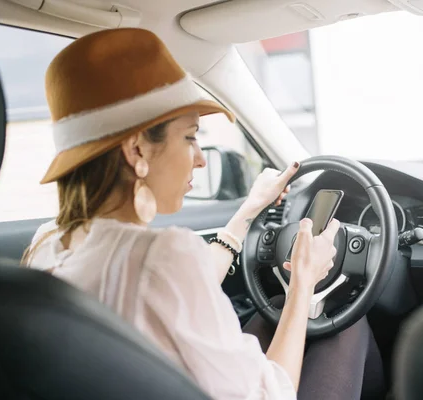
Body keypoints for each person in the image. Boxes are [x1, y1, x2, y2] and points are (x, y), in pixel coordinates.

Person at [24, 28, 384, 399]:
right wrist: (304, 284)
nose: (199, 158)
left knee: (274, 310)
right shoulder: (158, 256)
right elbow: (272, 394)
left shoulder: (48, 244)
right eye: (190, 136)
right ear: (137, 151)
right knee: (344, 323)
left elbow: (170, 287)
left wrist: (248, 211)